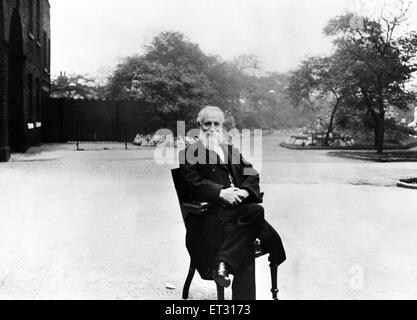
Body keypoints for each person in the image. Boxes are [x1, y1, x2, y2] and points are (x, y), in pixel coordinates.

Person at [179, 106, 286, 300]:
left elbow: (251, 173)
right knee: (249, 232)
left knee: (255, 210)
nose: (212, 128)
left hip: (238, 214)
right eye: (207, 124)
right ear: (199, 126)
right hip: (211, 217)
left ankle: (224, 264)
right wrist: (220, 193)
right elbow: (192, 184)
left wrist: (244, 191)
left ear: (222, 127)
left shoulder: (230, 150)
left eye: (216, 124)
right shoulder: (189, 153)